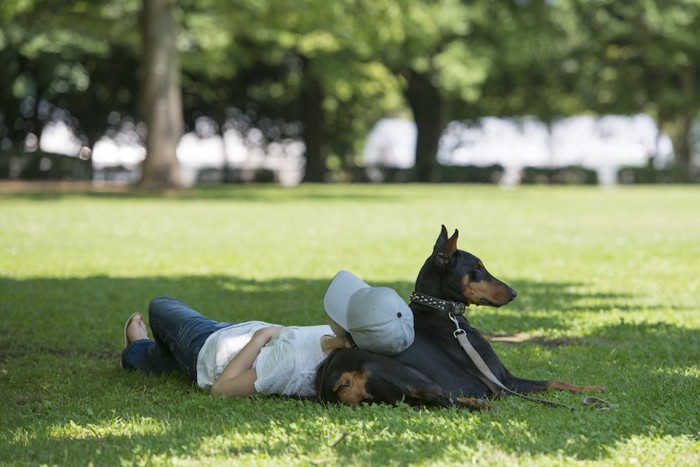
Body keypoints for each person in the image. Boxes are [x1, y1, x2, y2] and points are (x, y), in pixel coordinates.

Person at [120, 271, 415, 398]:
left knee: (160, 306)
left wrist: (261, 336)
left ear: (351, 339)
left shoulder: (290, 362)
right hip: (233, 336)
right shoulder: (351, 349)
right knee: (166, 365)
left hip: (208, 350)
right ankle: (148, 355)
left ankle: (142, 350)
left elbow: (221, 389)